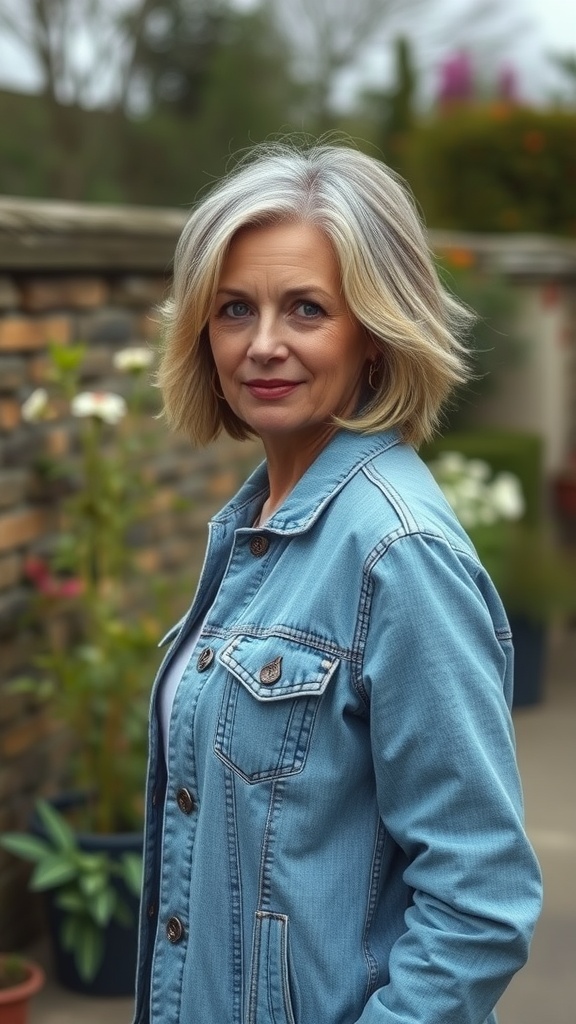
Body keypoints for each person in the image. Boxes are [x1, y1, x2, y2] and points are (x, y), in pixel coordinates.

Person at [133, 141, 542, 1024]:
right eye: (235, 308)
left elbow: (481, 900)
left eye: (307, 309)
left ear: (375, 332)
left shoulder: (397, 555)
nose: (264, 343)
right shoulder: (257, 532)